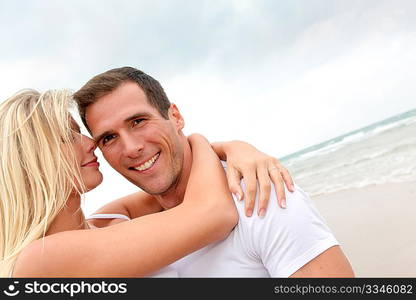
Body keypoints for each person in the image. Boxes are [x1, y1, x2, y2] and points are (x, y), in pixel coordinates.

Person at [73, 66, 355, 277]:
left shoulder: (260, 198)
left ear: (176, 116)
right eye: (109, 138)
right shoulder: (119, 230)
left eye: (138, 121)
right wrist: (221, 147)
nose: (131, 148)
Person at [0, 89, 291, 277]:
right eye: (69, 136)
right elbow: (213, 213)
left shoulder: (105, 222)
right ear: (33, 162)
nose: (91, 143)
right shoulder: (41, 260)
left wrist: (235, 150)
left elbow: (171, 190)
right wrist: (204, 142)